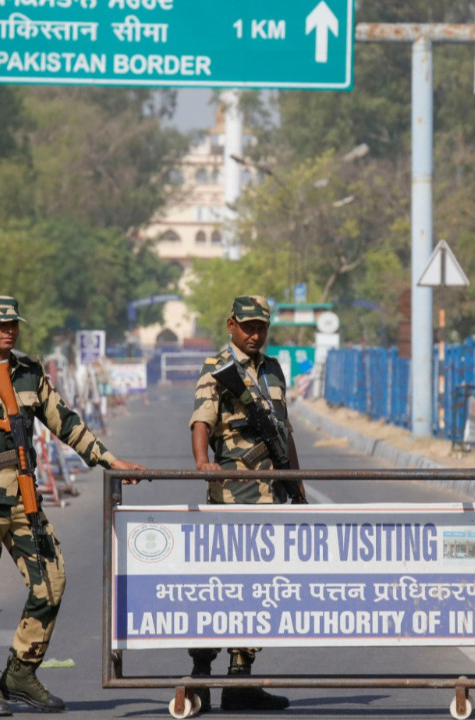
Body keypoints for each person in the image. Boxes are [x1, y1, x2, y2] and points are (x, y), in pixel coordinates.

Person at [0, 295, 146, 717]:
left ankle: (20, 671)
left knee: (52, 580)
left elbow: (65, 422)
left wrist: (110, 460)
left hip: (25, 500)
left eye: (13, 323)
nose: (9, 329)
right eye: (0, 323)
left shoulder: (31, 373)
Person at [186, 295, 301, 713]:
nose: (255, 335)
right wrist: (203, 463)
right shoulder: (217, 368)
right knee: (219, 585)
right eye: (248, 326)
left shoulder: (273, 369)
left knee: (260, 586)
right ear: (231, 324)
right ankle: (199, 674)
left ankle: (240, 678)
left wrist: (298, 487)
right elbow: (202, 419)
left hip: (272, 490)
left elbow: (284, 430)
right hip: (233, 492)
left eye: (261, 328)